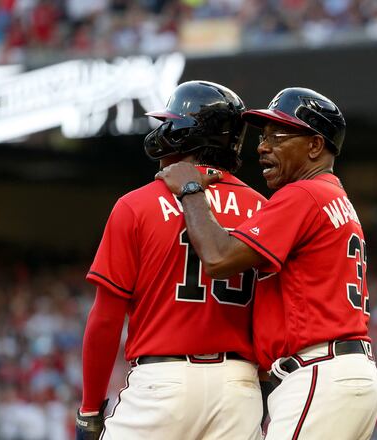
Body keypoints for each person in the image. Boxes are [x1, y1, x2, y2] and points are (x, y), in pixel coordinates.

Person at [156, 87, 377, 440]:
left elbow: (218, 258)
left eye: (278, 136)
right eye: (263, 137)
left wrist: (191, 190)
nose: (263, 146)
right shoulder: (335, 196)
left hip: (319, 373)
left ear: (314, 146)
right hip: (344, 372)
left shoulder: (303, 193)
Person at [75, 81, 267, 440]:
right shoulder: (265, 210)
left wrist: (89, 409)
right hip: (238, 388)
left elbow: (106, 319)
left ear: (184, 134)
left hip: (162, 385)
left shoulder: (137, 204)